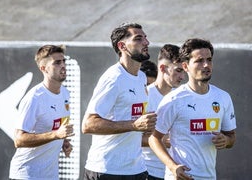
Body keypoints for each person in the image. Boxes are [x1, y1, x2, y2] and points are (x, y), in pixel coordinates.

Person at [148, 38, 237, 180]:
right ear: (185, 66)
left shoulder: (223, 97)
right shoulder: (173, 100)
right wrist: (172, 166)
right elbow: (154, 139)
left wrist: (225, 140)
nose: (206, 65)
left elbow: (231, 136)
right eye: (199, 61)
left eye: (209, 59)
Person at [81, 22, 157, 180]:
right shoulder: (113, 78)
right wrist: (134, 125)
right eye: (138, 39)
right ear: (122, 46)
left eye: (145, 38)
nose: (146, 43)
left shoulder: (142, 77)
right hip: (107, 170)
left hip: (136, 170)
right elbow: (88, 124)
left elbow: (129, 116)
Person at [9, 45, 74, 180]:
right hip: (26, 175)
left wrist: (64, 142)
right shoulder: (34, 98)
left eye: (63, 61)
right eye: (57, 62)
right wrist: (56, 135)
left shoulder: (65, 93)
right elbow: (19, 139)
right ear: (43, 68)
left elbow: (56, 128)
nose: (63, 65)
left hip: (50, 176)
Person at [142, 44, 184, 180]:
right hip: (147, 171)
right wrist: (159, 139)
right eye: (178, 70)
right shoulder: (144, 95)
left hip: (174, 173)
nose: (182, 76)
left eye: (183, 71)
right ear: (162, 68)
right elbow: (128, 138)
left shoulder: (181, 97)